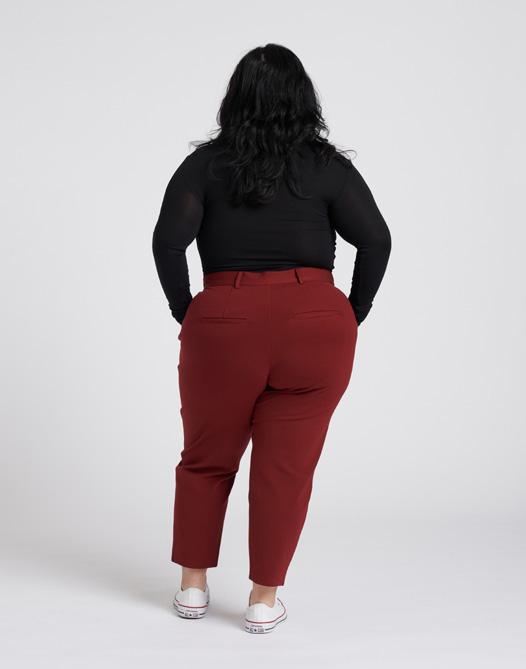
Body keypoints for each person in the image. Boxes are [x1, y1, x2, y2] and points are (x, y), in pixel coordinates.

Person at [152, 43, 392, 634]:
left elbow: (168, 241)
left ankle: (192, 586)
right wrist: (350, 313)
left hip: (223, 322)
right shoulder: (327, 167)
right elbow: (376, 240)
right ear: (303, 99)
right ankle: (263, 600)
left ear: (235, 98)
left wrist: (190, 313)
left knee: (206, 459)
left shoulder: (205, 166)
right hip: (316, 324)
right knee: (286, 469)